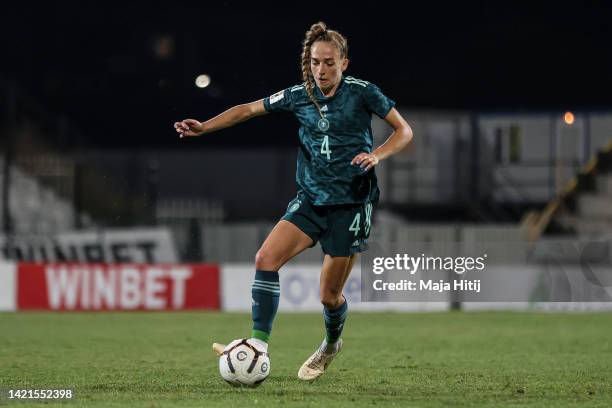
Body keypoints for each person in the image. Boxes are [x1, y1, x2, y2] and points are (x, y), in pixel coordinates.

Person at [174, 21, 413, 381]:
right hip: (310, 200)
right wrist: (205, 127)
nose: (322, 70)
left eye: (330, 62)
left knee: (329, 297)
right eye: (316, 62)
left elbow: (404, 130)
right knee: (265, 259)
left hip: (350, 205)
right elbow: (248, 110)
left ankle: (330, 346)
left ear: (345, 63)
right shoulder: (299, 95)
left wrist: (377, 155)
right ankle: (258, 345)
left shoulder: (364, 92)